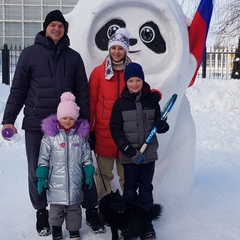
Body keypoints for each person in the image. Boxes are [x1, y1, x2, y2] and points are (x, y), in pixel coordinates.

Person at [1, 10, 104, 236]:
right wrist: (9, 119)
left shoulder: (73, 57)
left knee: (80, 167)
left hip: (69, 125)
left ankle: (91, 210)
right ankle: (41, 212)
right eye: (53, 25)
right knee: (37, 170)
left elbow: (82, 93)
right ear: (45, 27)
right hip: (37, 123)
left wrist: (84, 125)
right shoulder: (29, 55)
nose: (56, 29)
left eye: (60, 25)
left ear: (65, 29)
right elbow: (18, 89)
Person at [109, 62, 170, 239]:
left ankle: (145, 222)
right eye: (131, 80)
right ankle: (129, 221)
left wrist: (162, 125)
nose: (134, 84)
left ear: (142, 81)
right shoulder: (120, 104)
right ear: (126, 82)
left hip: (148, 155)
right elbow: (115, 128)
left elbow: (161, 126)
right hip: (130, 157)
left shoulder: (151, 101)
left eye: (138, 80)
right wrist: (128, 150)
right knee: (129, 190)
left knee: (145, 189)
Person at [36, 92, 95, 240]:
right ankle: (56, 231)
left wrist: (88, 174)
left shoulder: (80, 138)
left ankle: (74, 231)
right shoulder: (50, 137)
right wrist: (42, 177)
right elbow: (43, 159)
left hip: (75, 181)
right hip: (56, 183)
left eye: (71, 118)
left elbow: (87, 158)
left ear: (75, 118)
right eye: (64, 118)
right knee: (56, 210)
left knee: (74, 209)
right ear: (58, 117)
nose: (67, 121)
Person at [88, 28, 131, 200]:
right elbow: (91, 102)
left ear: (126, 50)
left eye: (120, 48)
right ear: (109, 49)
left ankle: (128, 208)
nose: (117, 52)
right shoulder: (98, 73)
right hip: (104, 132)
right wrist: (89, 129)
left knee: (127, 175)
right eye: (114, 48)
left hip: (126, 133)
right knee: (104, 174)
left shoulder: (132, 71)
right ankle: (104, 205)